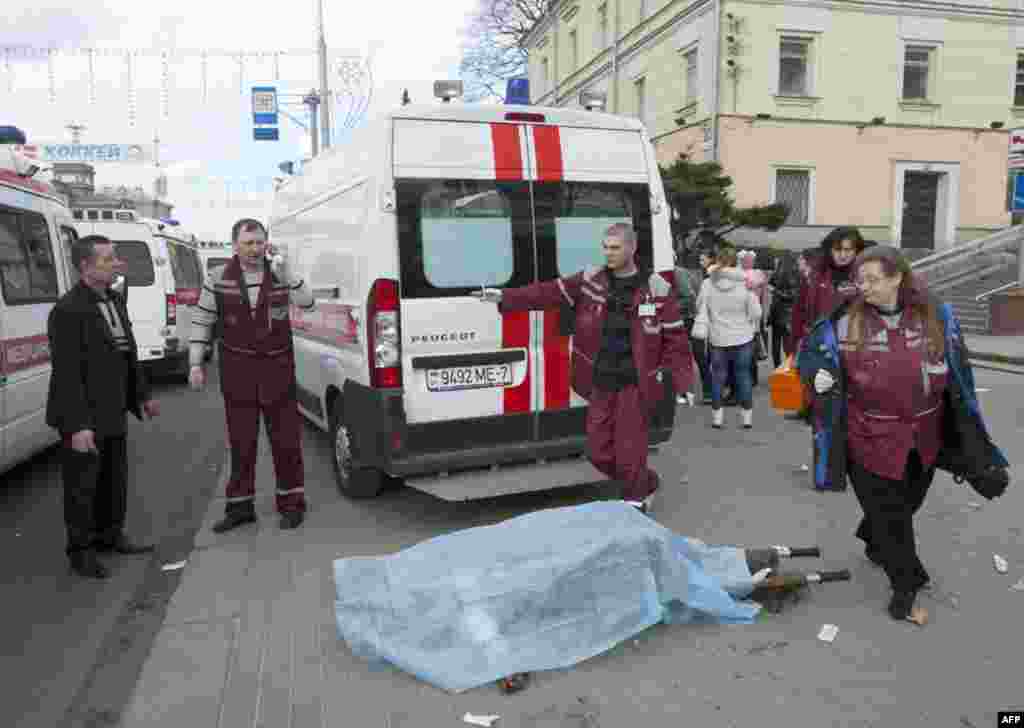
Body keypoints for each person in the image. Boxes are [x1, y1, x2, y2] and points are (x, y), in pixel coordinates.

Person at [798, 245, 996, 621]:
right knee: (892, 516)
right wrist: (816, 376)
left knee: (907, 503)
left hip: (923, 435)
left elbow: (959, 372)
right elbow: (810, 355)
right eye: (860, 279)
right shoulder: (842, 322)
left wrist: (970, 441)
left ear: (897, 278)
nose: (864, 286)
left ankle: (875, 540)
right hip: (866, 436)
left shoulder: (936, 317)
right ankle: (906, 582)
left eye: (873, 279)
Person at [473, 223, 693, 513]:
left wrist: (682, 383)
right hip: (600, 381)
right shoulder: (591, 279)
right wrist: (505, 297)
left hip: (636, 385)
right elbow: (548, 292)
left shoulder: (657, 289)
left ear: (631, 248)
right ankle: (645, 481)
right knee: (598, 452)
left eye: (615, 247)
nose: (608, 253)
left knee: (630, 452)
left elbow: (675, 339)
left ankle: (635, 504)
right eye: (605, 247)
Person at [46, 235, 161, 579]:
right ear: (85, 266)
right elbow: (66, 373)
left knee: (114, 479)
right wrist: (78, 425)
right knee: (82, 486)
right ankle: (81, 552)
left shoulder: (113, 299)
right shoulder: (67, 310)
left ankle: (110, 535)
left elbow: (128, 352)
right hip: (81, 413)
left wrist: (143, 395)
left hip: (112, 408)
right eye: (109, 259)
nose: (117, 264)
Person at [189, 219, 315, 532]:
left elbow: (308, 303)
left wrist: (289, 275)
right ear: (235, 245)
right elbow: (202, 321)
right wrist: (195, 363)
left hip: (278, 374)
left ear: (266, 243)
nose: (255, 249)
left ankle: (292, 504)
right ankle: (240, 508)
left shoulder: (280, 273)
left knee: (286, 444)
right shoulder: (217, 278)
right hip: (238, 376)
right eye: (248, 243)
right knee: (242, 445)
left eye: (259, 242)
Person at [692, 246, 762, 429]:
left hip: (717, 337)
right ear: (736, 262)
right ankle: (746, 419)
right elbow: (756, 312)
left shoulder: (708, 283)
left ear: (718, 262)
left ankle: (717, 418)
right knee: (743, 376)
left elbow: (699, 306)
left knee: (718, 377)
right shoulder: (745, 282)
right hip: (743, 337)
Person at [787, 227, 866, 355]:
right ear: (830, 250)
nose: (842, 255)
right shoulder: (814, 275)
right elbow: (798, 313)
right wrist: (794, 349)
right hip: (818, 348)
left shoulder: (866, 276)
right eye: (837, 249)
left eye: (847, 249)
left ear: (857, 250)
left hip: (854, 351)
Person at [673, 250, 703, 407]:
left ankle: (687, 392)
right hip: (683, 319)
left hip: (686, 319)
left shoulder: (677, 273)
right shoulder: (677, 272)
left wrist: (669, 308)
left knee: (685, 356)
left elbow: (689, 296)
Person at [768, 251, 801, 368]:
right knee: (787, 345)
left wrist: (775, 291)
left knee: (776, 344)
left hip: (776, 312)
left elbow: (771, 285)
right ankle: (788, 369)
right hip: (788, 314)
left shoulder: (777, 273)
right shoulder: (797, 274)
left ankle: (777, 368)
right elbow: (793, 295)